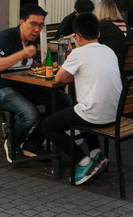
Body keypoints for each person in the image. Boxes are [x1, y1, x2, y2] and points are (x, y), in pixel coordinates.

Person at [40, 12, 121, 185]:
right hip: (115, 113)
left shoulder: (79, 53)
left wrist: (75, 74)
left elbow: (59, 79)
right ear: (98, 34)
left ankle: (84, 162)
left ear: (77, 37)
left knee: (48, 126)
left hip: (94, 115)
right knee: (81, 107)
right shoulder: (109, 51)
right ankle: (96, 154)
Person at [0, 3, 71, 161]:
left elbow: (26, 63)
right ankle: (13, 143)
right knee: (30, 113)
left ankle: (33, 142)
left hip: (22, 86)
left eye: (40, 25)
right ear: (22, 22)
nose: (37, 29)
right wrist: (23, 53)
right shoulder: (6, 37)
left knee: (63, 100)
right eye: (33, 24)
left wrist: (41, 67)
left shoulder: (32, 38)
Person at [94, 0, 129, 68]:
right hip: (125, 65)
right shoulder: (126, 25)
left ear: (100, 11)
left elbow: (91, 44)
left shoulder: (102, 25)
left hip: (109, 65)